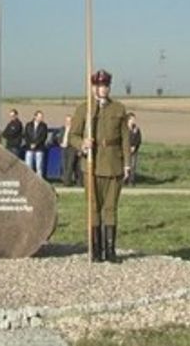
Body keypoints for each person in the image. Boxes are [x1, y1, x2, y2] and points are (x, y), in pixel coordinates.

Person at [69, 69, 131, 263]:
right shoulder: (84, 109)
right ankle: (95, 250)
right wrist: (83, 144)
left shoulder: (119, 109)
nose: (102, 89)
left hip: (113, 164)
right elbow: (73, 135)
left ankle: (110, 250)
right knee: (94, 208)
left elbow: (125, 139)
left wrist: (127, 164)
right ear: (93, 87)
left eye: (105, 85)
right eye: (99, 85)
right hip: (92, 166)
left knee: (111, 208)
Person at [59, 114, 82, 187]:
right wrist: (60, 143)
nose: (68, 122)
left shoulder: (74, 130)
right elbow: (59, 137)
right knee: (64, 165)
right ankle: (65, 180)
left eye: (69, 121)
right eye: (67, 121)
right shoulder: (62, 129)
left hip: (71, 149)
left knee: (70, 165)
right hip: (63, 148)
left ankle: (67, 182)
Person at [23, 110, 48, 178]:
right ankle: (28, 179)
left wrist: (36, 144)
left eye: (41, 117)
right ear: (35, 116)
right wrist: (30, 144)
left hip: (39, 148)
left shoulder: (44, 126)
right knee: (28, 165)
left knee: (39, 166)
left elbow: (43, 137)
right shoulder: (28, 125)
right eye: (39, 117)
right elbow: (26, 135)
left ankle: (39, 180)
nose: (40, 118)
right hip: (29, 148)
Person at [125, 113, 143, 186]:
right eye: (132, 119)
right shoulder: (124, 129)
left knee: (133, 166)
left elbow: (139, 139)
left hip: (134, 151)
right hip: (125, 150)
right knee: (125, 165)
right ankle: (124, 180)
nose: (133, 121)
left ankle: (131, 181)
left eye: (134, 119)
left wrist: (135, 146)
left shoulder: (136, 129)